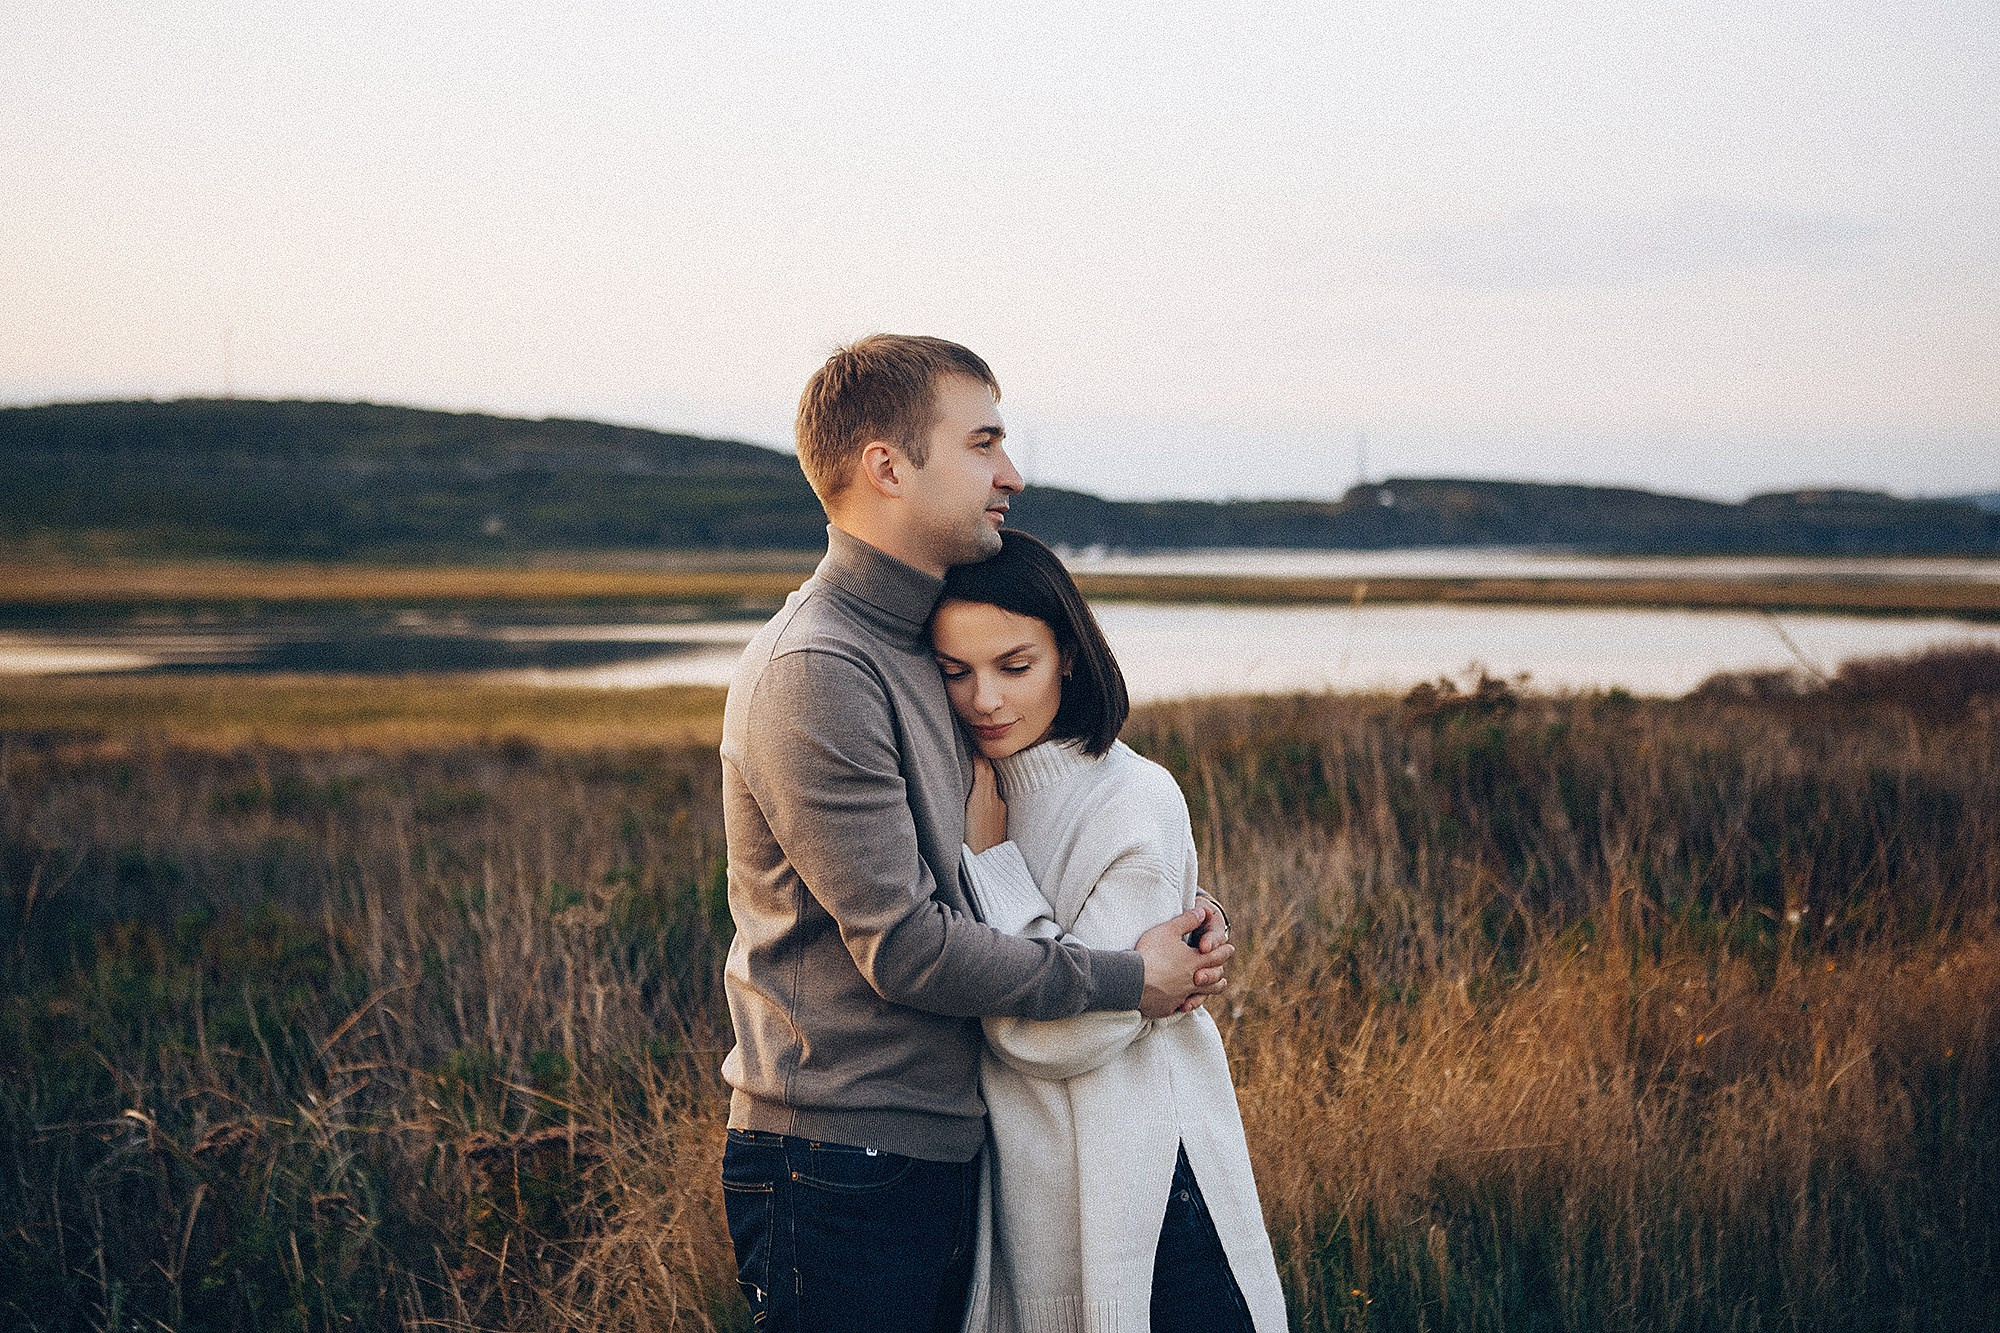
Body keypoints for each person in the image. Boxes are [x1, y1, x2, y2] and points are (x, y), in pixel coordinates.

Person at [718, 334, 1233, 1333]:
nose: (1011, 474)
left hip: (938, 1148)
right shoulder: (817, 666)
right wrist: (1130, 976)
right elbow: (905, 946)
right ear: (886, 467)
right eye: (983, 443)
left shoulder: (921, 645)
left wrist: (1167, 898)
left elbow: (998, 851)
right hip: (837, 1161)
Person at [933, 529, 1289, 1333]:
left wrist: (991, 861)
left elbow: (1056, 1034)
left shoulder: (1133, 798)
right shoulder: (953, 791)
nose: (983, 698)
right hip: (1042, 1204)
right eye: (955, 672)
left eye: (1013, 666)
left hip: (1155, 1196)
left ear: (1068, 653)